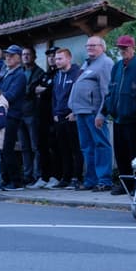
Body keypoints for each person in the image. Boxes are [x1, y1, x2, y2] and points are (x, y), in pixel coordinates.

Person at [101, 35, 136, 195]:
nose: (123, 50)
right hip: (118, 118)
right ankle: (124, 184)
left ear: (133, 48)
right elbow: (111, 90)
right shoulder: (116, 67)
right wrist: (108, 109)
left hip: (133, 120)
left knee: (135, 154)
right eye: (121, 48)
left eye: (126, 48)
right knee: (120, 153)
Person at [69, 36, 113, 191]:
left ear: (102, 47)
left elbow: (106, 91)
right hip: (81, 112)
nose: (89, 48)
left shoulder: (105, 63)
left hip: (94, 112)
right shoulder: (87, 63)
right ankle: (91, 180)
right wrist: (73, 109)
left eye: (93, 45)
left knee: (101, 145)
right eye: (88, 46)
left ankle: (104, 180)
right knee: (87, 147)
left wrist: (102, 113)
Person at [52, 48, 83, 189]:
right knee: (63, 149)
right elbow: (54, 96)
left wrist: (74, 112)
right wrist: (54, 113)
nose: (57, 61)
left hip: (71, 117)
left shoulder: (77, 73)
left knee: (75, 149)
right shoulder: (57, 75)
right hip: (59, 117)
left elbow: (79, 94)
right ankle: (66, 177)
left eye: (60, 58)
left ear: (69, 59)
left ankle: (77, 177)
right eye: (56, 59)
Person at [30, 46, 60, 189]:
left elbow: (52, 91)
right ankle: (44, 176)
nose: (52, 58)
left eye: (54, 55)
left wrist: (42, 90)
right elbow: (32, 88)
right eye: (49, 56)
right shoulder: (46, 74)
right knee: (41, 147)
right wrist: (39, 90)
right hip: (40, 116)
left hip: (53, 117)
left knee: (54, 147)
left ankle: (55, 176)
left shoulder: (60, 74)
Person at [0, 45, 26, 190]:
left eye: (11, 55)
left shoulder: (20, 75)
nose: (7, 58)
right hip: (4, 114)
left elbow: (12, 95)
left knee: (7, 148)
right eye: (7, 55)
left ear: (18, 57)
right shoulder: (7, 73)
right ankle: (6, 179)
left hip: (12, 115)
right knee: (3, 149)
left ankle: (16, 181)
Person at [19, 47, 43, 187]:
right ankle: (27, 175)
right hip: (20, 113)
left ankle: (36, 174)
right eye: (24, 54)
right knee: (24, 147)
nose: (26, 57)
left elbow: (30, 89)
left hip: (33, 113)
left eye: (28, 54)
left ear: (34, 56)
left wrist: (27, 90)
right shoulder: (20, 72)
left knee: (35, 146)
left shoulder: (39, 72)